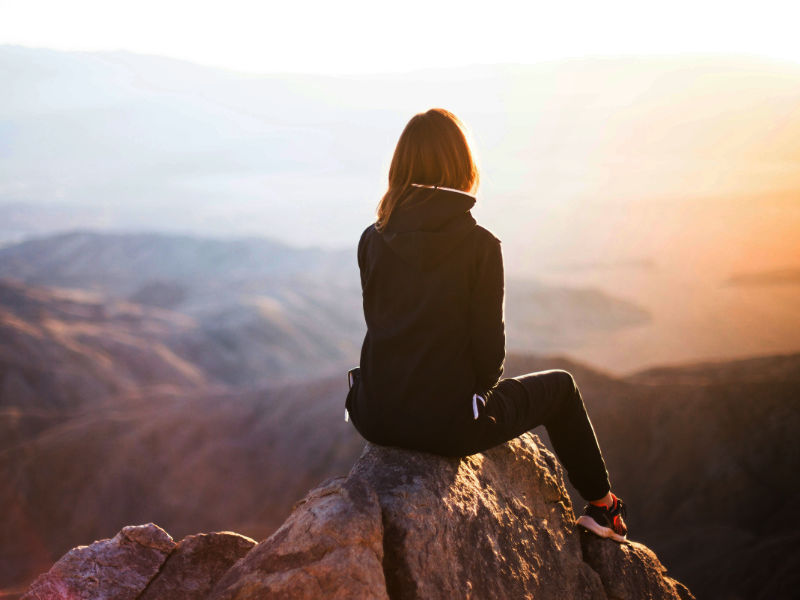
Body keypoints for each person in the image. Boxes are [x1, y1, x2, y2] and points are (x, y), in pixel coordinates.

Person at [345, 107, 627, 542]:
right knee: (563, 388)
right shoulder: (480, 246)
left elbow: (381, 324)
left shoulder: (371, 237)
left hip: (374, 414)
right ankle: (603, 508)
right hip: (447, 427)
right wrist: (468, 400)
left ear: (400, 167)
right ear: (462, 167)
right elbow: (490, 360)